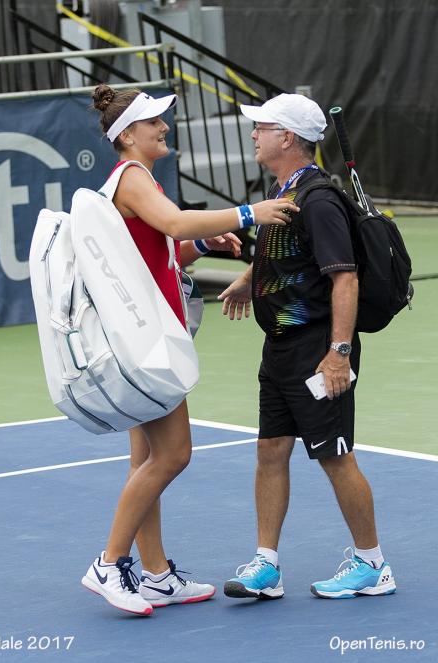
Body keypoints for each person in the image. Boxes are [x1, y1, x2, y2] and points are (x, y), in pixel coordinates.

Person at [80, 84, 299, 616]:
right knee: (173, 455)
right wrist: (249, 213)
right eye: (154, 121)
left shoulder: (136, 181)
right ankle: (109, 563)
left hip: (143, 335)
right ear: (128, 134)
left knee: (146, 459)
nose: (164, 127)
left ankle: (154, 573)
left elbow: (164, 244)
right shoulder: (132, 179)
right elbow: (175, 222)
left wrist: (203, 244)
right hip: (146, 340)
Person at [218, 93, 396, 600]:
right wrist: (249, 279)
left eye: (262, 127)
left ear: (288, 138)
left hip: (319, 348)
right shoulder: (287, 192)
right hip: (279, 349)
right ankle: (266, 567)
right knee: (270, 450)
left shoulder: (318, 199)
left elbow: (344, 278)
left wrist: (338, 353)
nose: (254, 134)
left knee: (335, 455)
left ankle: (372, 564)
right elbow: (292, 253)